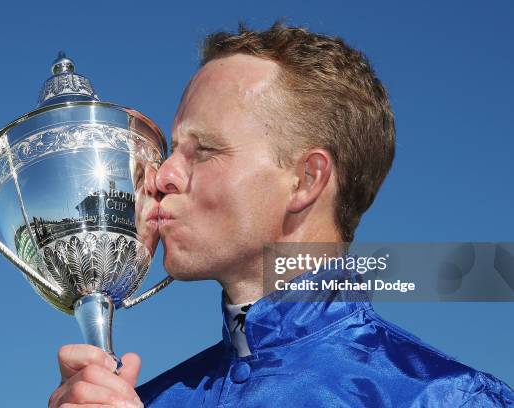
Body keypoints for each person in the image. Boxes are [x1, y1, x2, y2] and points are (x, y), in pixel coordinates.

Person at [48, 22, 514, 407]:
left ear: (306, 180)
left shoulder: (444, 398)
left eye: (203, 149)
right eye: (172, 150)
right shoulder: (148, 400)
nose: (162, 175)